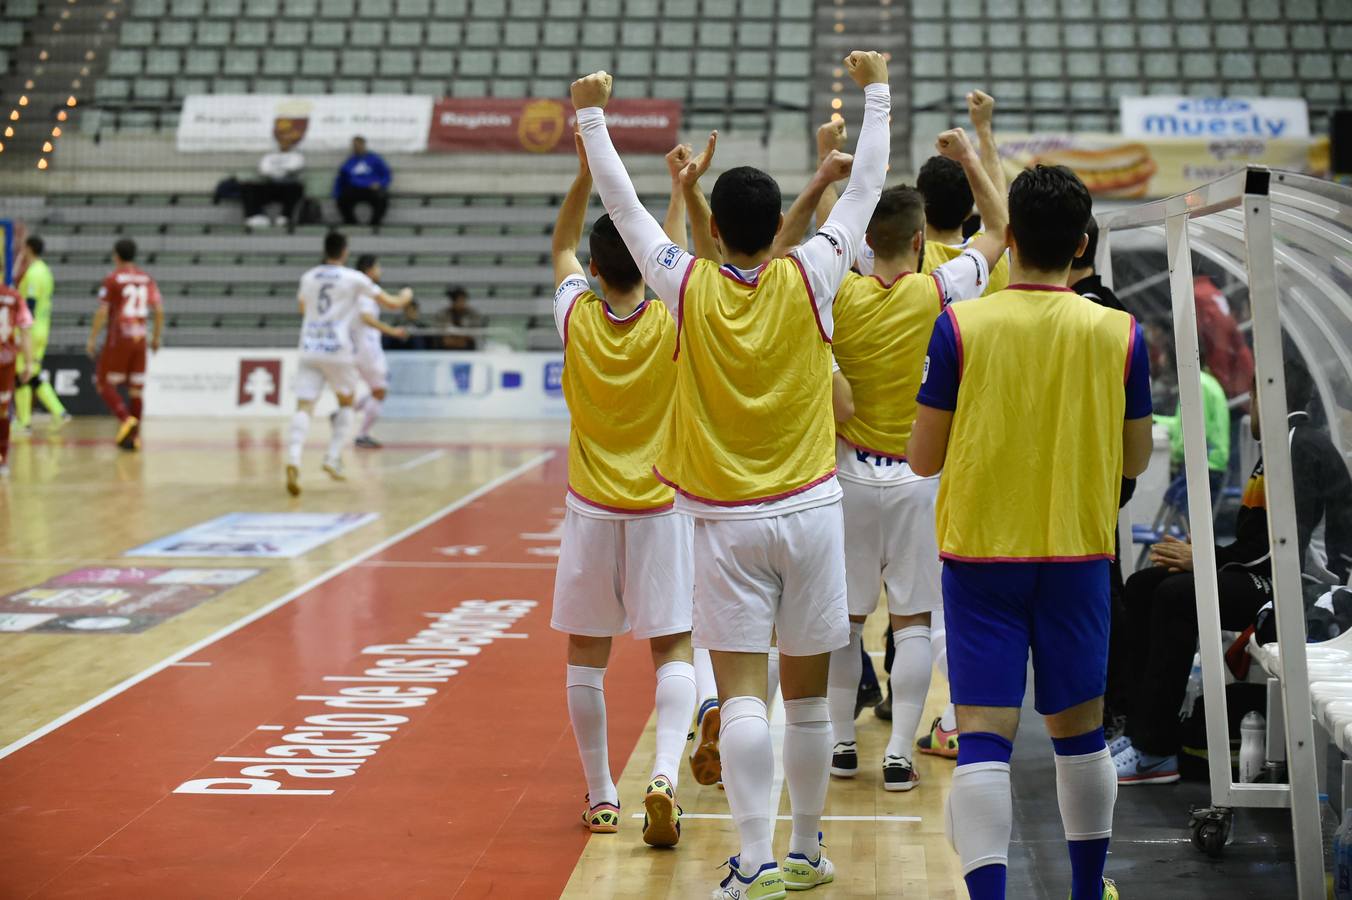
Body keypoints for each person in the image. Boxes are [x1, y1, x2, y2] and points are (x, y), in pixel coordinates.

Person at [574, 50, 890, 898]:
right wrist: (877, 94)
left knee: (743, 697)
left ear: (713, 232)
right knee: (811, 702)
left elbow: (623, 207)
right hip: (814, 509)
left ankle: (751, 862)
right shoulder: (815, 273)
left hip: (724, 522)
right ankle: (808, 852)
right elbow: (864, 191)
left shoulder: (684, 285)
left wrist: (591, 115)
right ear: (780, 219)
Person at [908, 164, 1154, 900]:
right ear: (1083, 245)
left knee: (983, 736)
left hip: (982, 554)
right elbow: (1136, 456)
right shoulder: (1121, 332)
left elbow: (923, 454)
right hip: (1078, 553)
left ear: (1008, 238)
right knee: (1079, 736)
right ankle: (1086, 893)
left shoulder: (960, 325)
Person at [820, 127, 1008, 792]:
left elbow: (813, 244)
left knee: (844, 617)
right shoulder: (938, 290)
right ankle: (901, 751)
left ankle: (842, 744)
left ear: (864, 241)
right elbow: (999, 229)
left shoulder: (837, 291)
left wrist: (828, 173)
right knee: (913, 619)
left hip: (847, 476)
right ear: (920, 239)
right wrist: (971, 159)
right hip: (917, 476)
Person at [550, 133, 699, 848]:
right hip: (661, 508)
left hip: (590, 511)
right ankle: (664, 775)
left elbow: (559, 250)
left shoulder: (575, 316)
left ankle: (603, 796)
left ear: (594, 270)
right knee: (674, 649)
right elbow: (672, 262)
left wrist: (583, 177)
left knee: (587, 656)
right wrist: (677, 194)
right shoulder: (671, 319)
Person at [1113, 360, 1352, 785]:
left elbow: (1282, 550)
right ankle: (1138, 729)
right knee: (1145, 584)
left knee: (1178, 595)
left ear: (1267, 395)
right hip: (1275, 577)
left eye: (1255, 396)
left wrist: (1205, 561)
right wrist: (1206, 556)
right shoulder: (1286, 443)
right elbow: (1259, 544)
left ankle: (1156, 749)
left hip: (1301, 591)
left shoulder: (1298, 447)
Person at [286, 232, 410, 496]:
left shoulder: (308, 277)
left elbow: (302, 308)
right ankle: (332, 457)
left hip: (309, 346)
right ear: (344, 251)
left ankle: (294, 458)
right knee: (346, 402)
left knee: (304, 405)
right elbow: (392, 303)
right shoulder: (354, 278)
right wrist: (406, 296)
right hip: (338, 349)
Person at [853, 91, 1011, 296]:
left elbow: (835, 237)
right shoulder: (996, 254)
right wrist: (983, 128)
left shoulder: (896, 256)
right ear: (969, 213)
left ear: (921, 206)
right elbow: (997, 208)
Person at [87, 239, 163, 451]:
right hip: (141, 339)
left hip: (119, 338)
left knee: (103, 382)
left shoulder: (113, 279)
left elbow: (102, 311)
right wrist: (156, 338)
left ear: (116, 255)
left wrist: (92, 339)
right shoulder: (146, 278)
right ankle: (135, 437)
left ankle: (125, 419)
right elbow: (158, 310)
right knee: (136, 390)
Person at [350, 255, 411, 449]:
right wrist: (405, 296)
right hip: (367, 347)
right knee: (380, 390)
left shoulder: (355, 287)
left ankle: (343, 411)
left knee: (377, 389)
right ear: (368, 270)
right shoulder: (365, 289)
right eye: (378, 267)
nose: (380, 270)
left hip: (359, 346)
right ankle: (362, 434)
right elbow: (367, 317)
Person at [13, 236, 70, 433]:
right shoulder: (45, 271)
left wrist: (21, 330)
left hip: (31, 330)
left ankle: (24, 422)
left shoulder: (34, 273)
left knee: (21, 374)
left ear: (28, 248)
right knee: (33, 373)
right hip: (43, 328)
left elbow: (29, 306)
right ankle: (59, 412)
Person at [0, 283, 35, 476]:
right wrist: (29, 363)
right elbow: (25, 329)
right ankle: (3, 458)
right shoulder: (13, 296)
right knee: (3, 410)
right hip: (6, 359)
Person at [241, 135, 305, 229]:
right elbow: (263, 169)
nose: (284, 143)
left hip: (287, 185)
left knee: (296, 187)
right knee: (248, 186)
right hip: (270, 183)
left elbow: (294, 168)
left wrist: (276, 171)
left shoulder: (296, 156)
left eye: (287, 141)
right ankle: (256, 216)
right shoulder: (269, 156)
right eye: (282, 141)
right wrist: (280, 171)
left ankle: (285, 217)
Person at [334, 136, 392, 227]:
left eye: (358, 145)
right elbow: (341, 178)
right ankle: (352, 223)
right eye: (354, 145)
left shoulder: (375, 159)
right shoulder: (350, 161)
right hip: (355, 190)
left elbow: (386, 175)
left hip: (372, 189)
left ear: (363, 145)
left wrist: (380, 184)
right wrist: (336, 193)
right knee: (342, 199)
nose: (356, 147)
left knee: (382, 198)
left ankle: (374, 224)